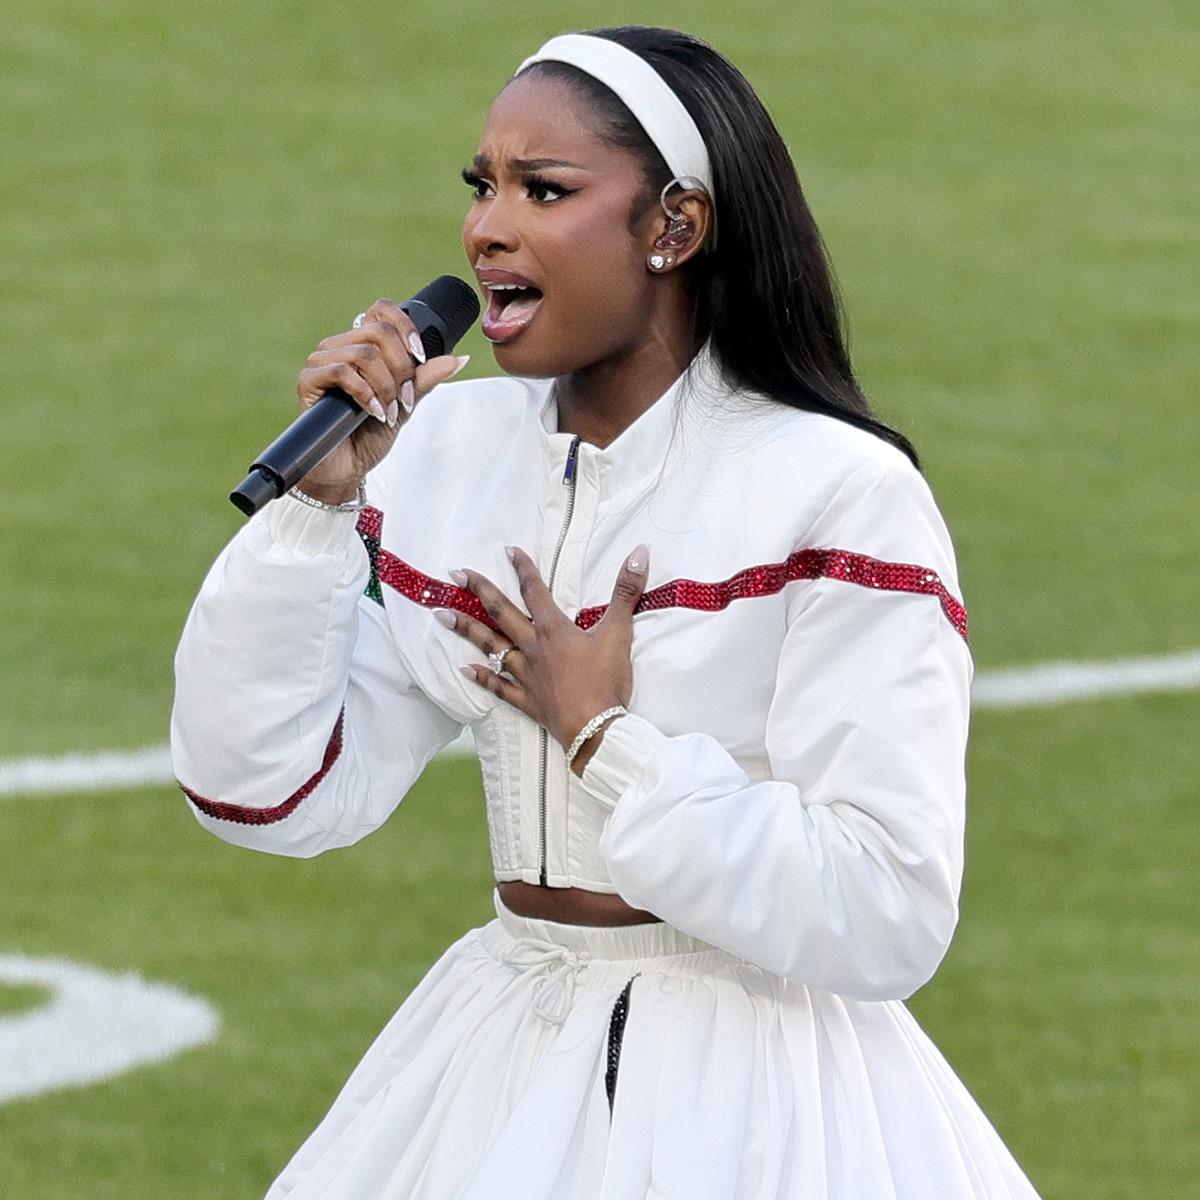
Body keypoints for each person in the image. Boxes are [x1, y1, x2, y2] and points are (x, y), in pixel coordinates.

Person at [171, 26, 1042, 1199]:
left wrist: (604, 744)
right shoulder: (445, 458)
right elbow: (267, 794)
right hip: (501, 1055)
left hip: (759, 1105)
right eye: (482, 187)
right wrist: (315, 518)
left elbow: (885, 909)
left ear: (674, 228)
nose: (487, 227)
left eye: (545, 189)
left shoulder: (840, 493)